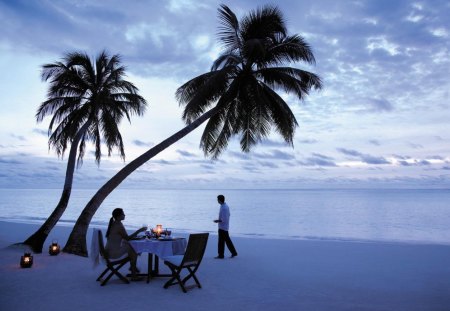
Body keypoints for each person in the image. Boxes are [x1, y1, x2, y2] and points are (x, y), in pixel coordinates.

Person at [105, 208, 146, 280]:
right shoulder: (118, 225)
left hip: (108, 251)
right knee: (133, 249)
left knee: (129, 244)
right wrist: (139, 231)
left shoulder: (114, 223)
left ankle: (133, 267)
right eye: (123, 214)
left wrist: (135, 237)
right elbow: (128, 238)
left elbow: (125, 238)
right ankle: (133, 276)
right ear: (118, 216)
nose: (124, 215)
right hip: (113, 253)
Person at [213, 194, 238, 259]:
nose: (217, 201)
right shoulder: (224, 206)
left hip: (223, 227)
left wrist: (217, 221)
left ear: (219, 200)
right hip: (224, 227)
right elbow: (228, 215)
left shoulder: (224, 207)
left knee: (221, 242)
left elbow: (224, 219)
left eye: (217, 199)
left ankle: (221, 255)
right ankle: (233, 252)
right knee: (227, 240)